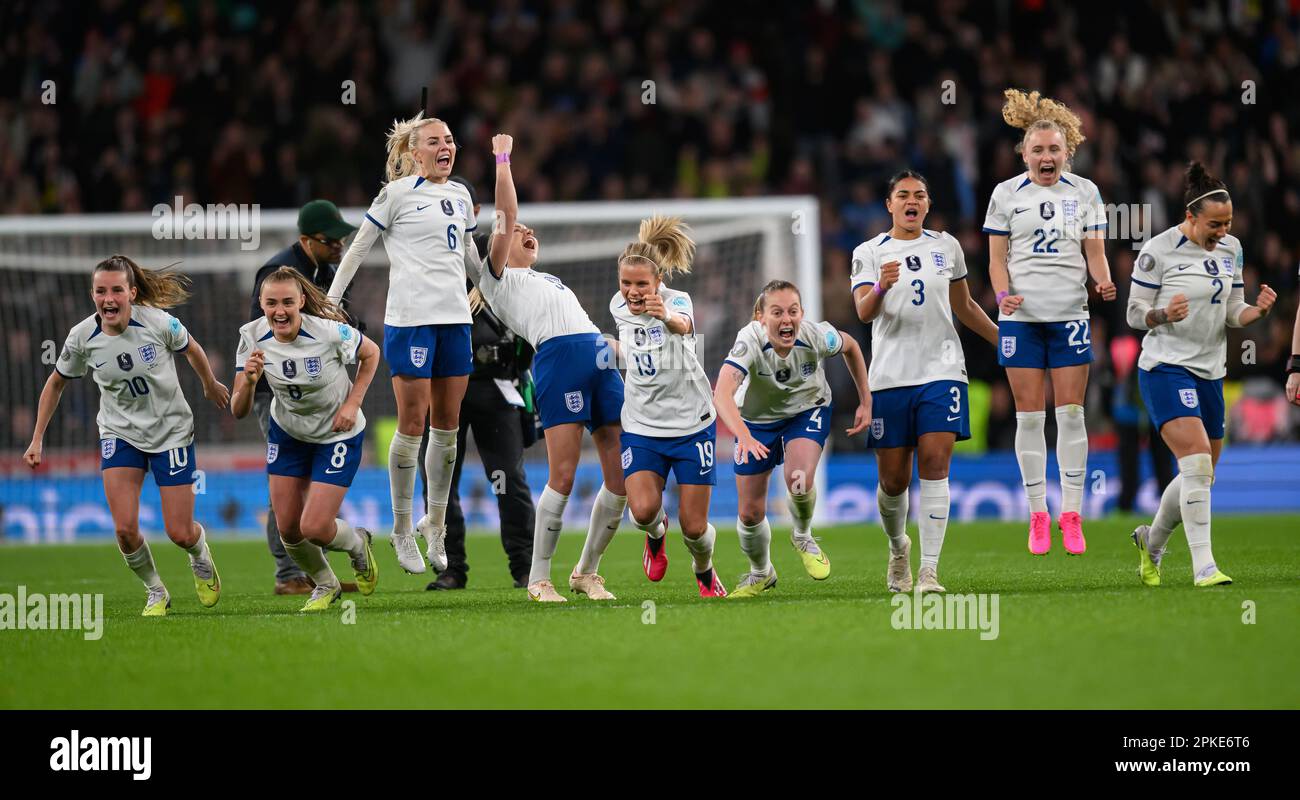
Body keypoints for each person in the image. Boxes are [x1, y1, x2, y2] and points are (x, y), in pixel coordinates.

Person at [24, 255, 230, 615]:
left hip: (171, 431)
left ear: (132, 293)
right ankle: (155, 591)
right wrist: (37, 437)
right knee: (124, 529)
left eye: (116, 290)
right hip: (120, 433)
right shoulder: (81, 337)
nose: (108, 299)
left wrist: (210, 384)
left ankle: (199, 553)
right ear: (92, 295)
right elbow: (55, 383)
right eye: (101, 291)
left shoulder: (159, 322)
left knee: (179, 532)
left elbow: (192, 350)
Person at [474, 133, 630, 602]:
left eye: (529, 232)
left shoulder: (548, 278)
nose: (527, 233)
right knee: (562, 474)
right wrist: (503, 160)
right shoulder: (497, 277)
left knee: (620, 474)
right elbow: (507, 216)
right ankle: (538, 578)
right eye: (520, 234)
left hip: (596, 356)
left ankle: (586, 570)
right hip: (558, 362)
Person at [327, 113, 478, 576]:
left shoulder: (462, 195)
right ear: (415, 153)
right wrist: (331, 301)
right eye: (434, 141)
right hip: (411, 322)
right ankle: (399, 528)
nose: (445, 147)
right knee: (412, 424)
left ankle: (434, 523)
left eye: (450, 139)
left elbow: (469, 255)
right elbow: (357, 248)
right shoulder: (396, 195)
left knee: (448, 426)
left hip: (456, 322)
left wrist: (491, 288)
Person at [1127, 162, 1276, 587]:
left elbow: (1233, 310)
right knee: (1194, 462)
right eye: (1214, 224)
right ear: (1190, 217)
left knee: (1202, 473)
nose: (1222, 231)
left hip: (1211, 372)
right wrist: (1162, 313)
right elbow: (1134, 314)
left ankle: (1150, 544)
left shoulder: (1232, 249)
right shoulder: (1157, 251)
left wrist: (1257, 313)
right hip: (1165, 367)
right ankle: (1204, 566)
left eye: (1228, 223)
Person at [983, 89, 1116, 556]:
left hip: (1069, 316)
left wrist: (1104, 282)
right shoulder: (1005, 194)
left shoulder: (1086, 193)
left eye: (1053, 149)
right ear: (1024, 154)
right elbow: (996, 261)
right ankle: (1038, 513)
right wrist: (1002, 296)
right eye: (1037, 149)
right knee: (1030, 416)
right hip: (1021, 320)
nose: (1045, 156)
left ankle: (1072, 514)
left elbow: (1095, 253)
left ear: (1067, 152)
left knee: (1072, 414)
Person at [852, 170, 999, 593]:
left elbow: (965, 305)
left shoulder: (946, 246)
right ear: (890, 205)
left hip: (943, 371)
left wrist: (1003, 339)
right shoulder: (870, 251)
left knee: (936, 465)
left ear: (928, 205)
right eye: (903, 195)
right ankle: (899, 549)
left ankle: (929, 571)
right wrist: (881, 286)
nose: (911, 201)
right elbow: (864, 313)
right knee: (893, 481)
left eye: (919, 195)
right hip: (891, 377)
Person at [231, 268, 381, 610]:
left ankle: (358, 544)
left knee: (314, 526)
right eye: (271, 303)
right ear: (261, 304)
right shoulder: (251, 336)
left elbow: (371, 353)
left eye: (287, 302)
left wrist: (352, 403)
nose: (279, 311)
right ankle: (326, 585)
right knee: (289, 531)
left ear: (301, 302)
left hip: (337, 433)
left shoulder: (328, 333)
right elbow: (238, 410)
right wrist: (250, 382)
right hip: (288, 433)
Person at [713, 279, 871, 598]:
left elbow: (851, 345)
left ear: (802, 313)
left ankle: (802, 535)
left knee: (798, 479)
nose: (787, 320)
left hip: (807, 409)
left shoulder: (816, 335)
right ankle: (761, 572)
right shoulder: (749, 341)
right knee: (749, 512)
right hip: (756, 421)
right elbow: (721, 394)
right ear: (761, 317)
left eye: (793, 311)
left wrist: (865, 401)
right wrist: (743, 436)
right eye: (777, 312)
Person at [421, 176, 536, 591]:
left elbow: (529, 300)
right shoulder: (423, 256)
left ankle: (525, 567)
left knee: (509, 477)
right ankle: (451, 568)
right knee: (439, 482)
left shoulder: (494, 251)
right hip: (442, 383)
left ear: (473, 212)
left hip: (495, 382)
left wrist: (504, 165)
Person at [249, 199, 362, 595]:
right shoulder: (278, 273)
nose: (340, 245)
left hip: (322, 394)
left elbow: (350, 324)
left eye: (342, 238)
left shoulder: (328, 270)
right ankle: (289, 573)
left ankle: (317, 568)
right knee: (285, 488)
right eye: (332, 240)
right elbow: (262, 332)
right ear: (306, 240)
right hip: (277, 395)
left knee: (317, 488)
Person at [612, 216, 729, 598]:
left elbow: (684, 324)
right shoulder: (618, 306)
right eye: (626, 282)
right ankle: (656, 533)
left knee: (695, 528)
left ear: (659, 281)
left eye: (642, 284)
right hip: (642, 425)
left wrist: (665, 315)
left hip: (692, 423)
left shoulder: (678, 301)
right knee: (643, 511)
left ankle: (704, 569)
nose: (632, 291)